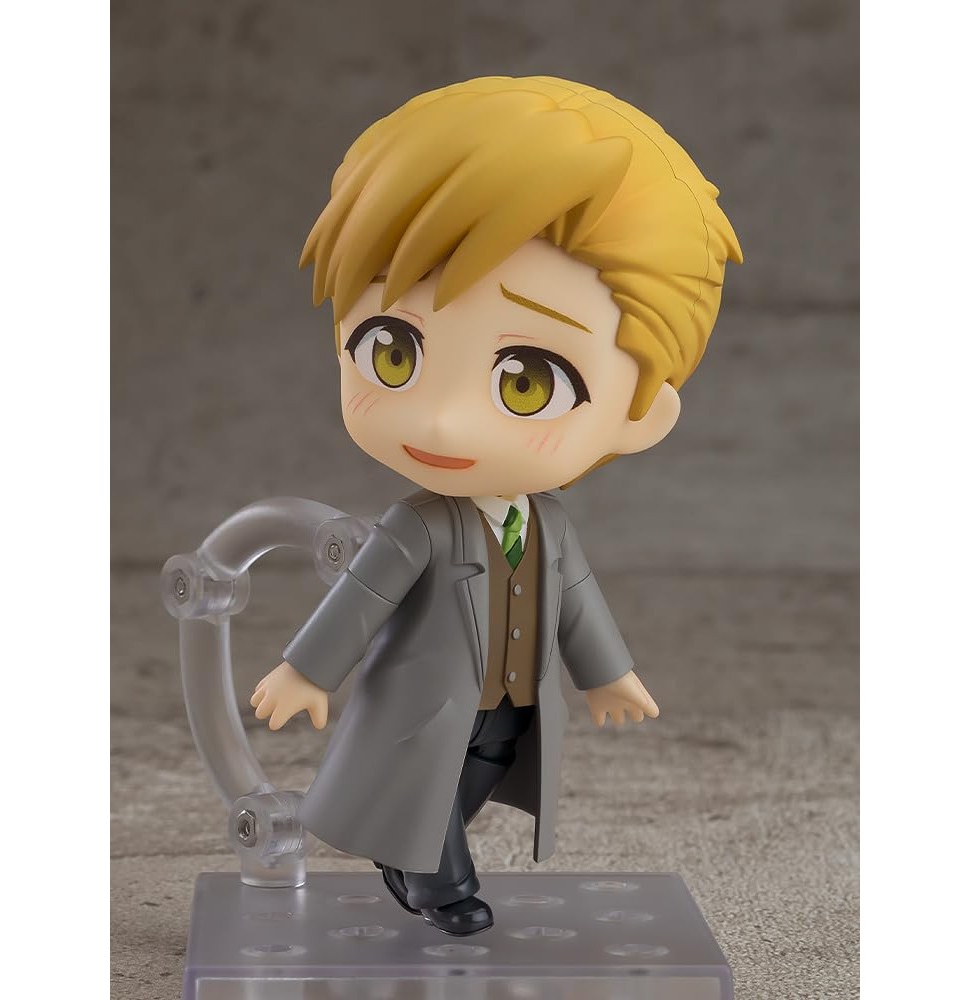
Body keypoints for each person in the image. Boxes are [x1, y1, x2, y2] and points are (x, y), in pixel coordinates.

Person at [250, 76, 741, 935]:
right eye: (392, 353)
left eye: (526, 383)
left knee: (468, 781)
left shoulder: (549, 524)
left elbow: (577, 602)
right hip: (420, 709)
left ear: (640, 417)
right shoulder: (419, 524)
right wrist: (306, 670)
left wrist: (608, 673)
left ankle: (412, 850)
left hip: (511, 709)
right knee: (426, 793)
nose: (442, 419)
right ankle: (439, 884)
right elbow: (362, 597)